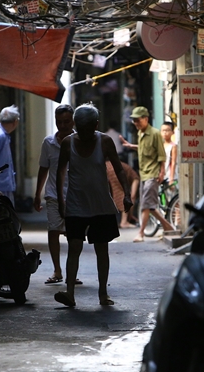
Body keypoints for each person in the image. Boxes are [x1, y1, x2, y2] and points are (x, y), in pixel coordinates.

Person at [55, 103, 132, 307]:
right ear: (75, 125)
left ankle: (103, 293)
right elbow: (60, 172)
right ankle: (70, 293)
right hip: (76, 204)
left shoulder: (105, 142)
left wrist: (127, 193)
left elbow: (119, 169)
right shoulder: (67, 143)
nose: (84, 132)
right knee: (74, 247)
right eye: (80, 128)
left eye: (88, 128)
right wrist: (61, 202)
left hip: (100, 205)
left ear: (96, 125)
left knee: (101, 249)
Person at [34, 104, 82, 285]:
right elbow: (43, 169)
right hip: (54, 194)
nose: (62, 126)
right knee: (54, 230)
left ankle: (71, 271)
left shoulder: (80, 141)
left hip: (75, 195)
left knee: (73, 234)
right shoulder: (48, 143)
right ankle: (57, 270)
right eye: (59, 122)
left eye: (66, 122)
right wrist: (37, 194)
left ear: (73, 121)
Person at [120, 106, 175, 242]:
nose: (136, 123)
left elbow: (162, 155)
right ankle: (167, 226)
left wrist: (162, 172)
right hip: (143, 173)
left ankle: (141, 233)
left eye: (138, 120)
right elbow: (143, 148)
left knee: (145, 204)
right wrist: (131, 146)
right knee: (149, 205)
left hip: (153, 174)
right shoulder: (140, 134)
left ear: (146, 119)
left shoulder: (156, 134)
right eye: (134, 121)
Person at [105, 159, 139, 228]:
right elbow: (133, 196)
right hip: (114, 169)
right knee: (123, 195)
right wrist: (130, 214)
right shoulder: (135, 178)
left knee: (109, 195)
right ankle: (124, 221)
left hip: (105, 167)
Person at [161, 121, 178, 189]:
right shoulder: (161, 145)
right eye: (163, 130)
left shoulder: (173, 146)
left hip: (170, 177)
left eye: (167, 130)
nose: (165, 132)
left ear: (172, 132)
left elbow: (173, 163)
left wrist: (171, 179)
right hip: (162, 177)